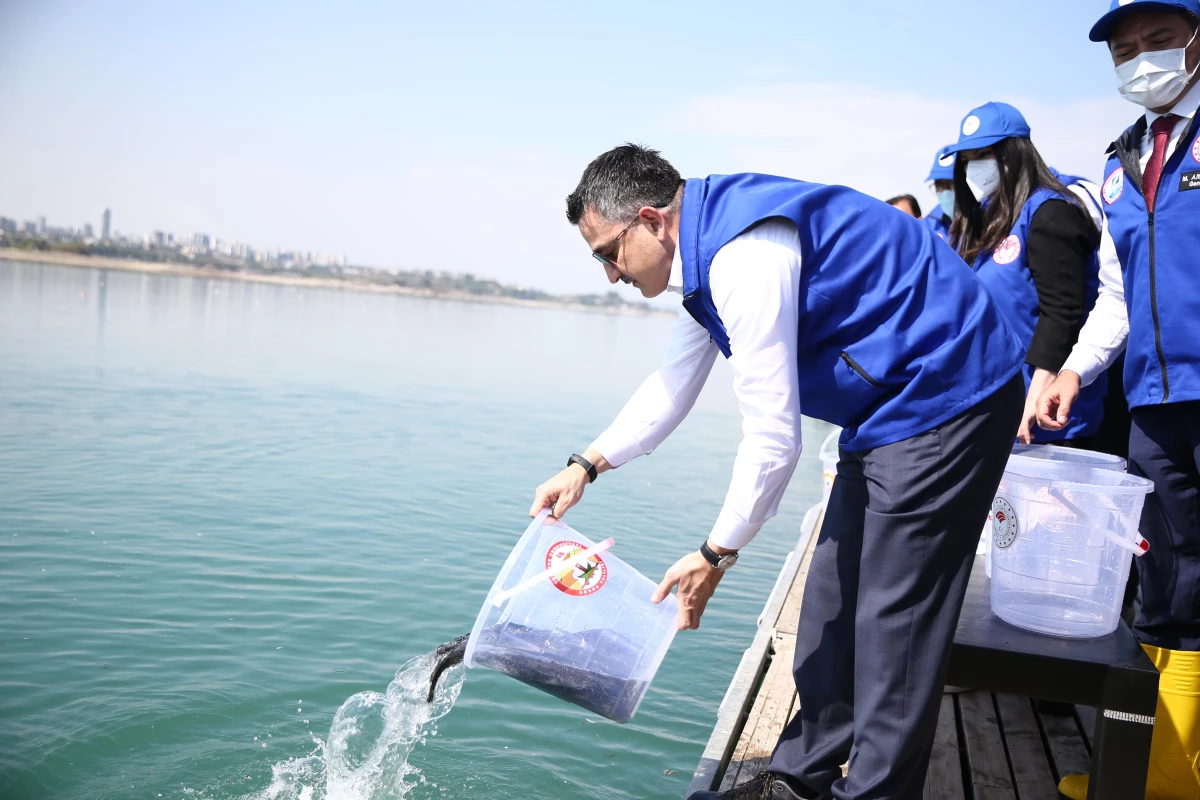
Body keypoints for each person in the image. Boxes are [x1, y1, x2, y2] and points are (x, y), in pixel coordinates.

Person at [531, 143, 1025, 800]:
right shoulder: (708, 251)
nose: (610, 275)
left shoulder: (743, 256)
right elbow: (673, 384)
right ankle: (796, 780)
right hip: (884, 408)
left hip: (949, 393)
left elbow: (772, 438)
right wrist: (586, 465)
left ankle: (875, 791)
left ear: (651, 220)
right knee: (829, 600)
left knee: (894, 617)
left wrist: (716, 552)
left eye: (608, 252)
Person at [1038, 3, 1200, 797]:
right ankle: (1154, 776)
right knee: (1166, 584)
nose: (1142, 61)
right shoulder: (1120, 162)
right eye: (1125, 51)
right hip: (1154, 404)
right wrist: (1073, 370)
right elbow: (1115, 294)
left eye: (1160, 42)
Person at [943, 102, 1107, 447]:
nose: (974, 167)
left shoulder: (1049, 212)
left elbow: (1063, 313)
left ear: (1015, 153)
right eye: (967, 158)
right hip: (997, 405)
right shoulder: (984, 222)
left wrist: (1036, 395)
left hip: (1046, 410)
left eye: (983, 155)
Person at [924, 145, 956, 240]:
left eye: (950, 184)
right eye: (939, 185)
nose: (945, 191)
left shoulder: (987, 218)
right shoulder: (928, 227)